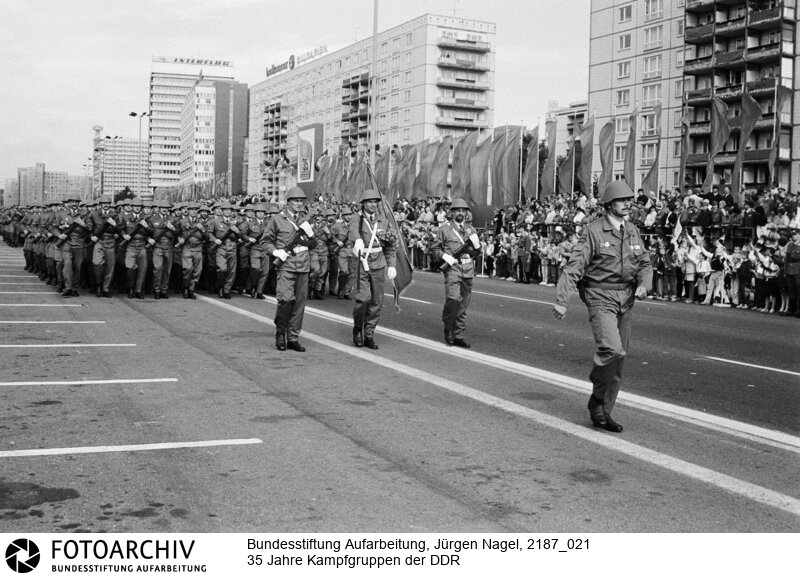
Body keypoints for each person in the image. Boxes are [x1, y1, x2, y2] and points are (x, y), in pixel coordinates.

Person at [553, 180, 652, 433]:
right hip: (600, 297)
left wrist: (644, 284)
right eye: (622, 200)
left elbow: (645, 263)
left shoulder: (631, 230)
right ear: (609, 204)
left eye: (630, 199)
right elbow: (574, 267)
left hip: (626, 299)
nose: (628, 204)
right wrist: (563, 301)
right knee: (612, 350)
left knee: (619, 362)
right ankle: (597, 398)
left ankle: (604, 412)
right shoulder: (593, 231)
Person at [263, 187, 316, 352]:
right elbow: (265, 241)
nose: (299, 204)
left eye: (301, 201)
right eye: (296, 201)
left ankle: (293, 337)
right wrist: (276, 252)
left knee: (299, 304)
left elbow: (313, 244)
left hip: (303, 266)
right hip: (286, 266)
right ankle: (280, 333)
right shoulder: (277, 219)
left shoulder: (306, 221)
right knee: (285, 301)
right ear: (288, 202)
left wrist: (314, 263)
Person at [346, 188, 398, 350]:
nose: (373, 205)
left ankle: (369, 333)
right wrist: (357, 240)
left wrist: (392, 265)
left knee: (376, 301)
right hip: (362, 263)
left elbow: (390, 245)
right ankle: (357, 328)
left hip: (378, 264)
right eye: (370, 202)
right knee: (363, 299)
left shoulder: (383, 221)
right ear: (363, 204)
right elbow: (353, 231)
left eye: (375, 202)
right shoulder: (357, 218)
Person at [431, 198, 481, 347]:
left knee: (463, 303)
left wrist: (477, 246)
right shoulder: (444, 229)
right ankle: (448, 328)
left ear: (466, 213)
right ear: (451, 213)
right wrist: (445, 256)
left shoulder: (471, 230)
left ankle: (458, 334)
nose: (460, 213)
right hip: (453, 268)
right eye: (457, 210)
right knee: (453, 299)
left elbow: (477, 253)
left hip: (468, 268)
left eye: (463, 211)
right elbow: (434, 248)